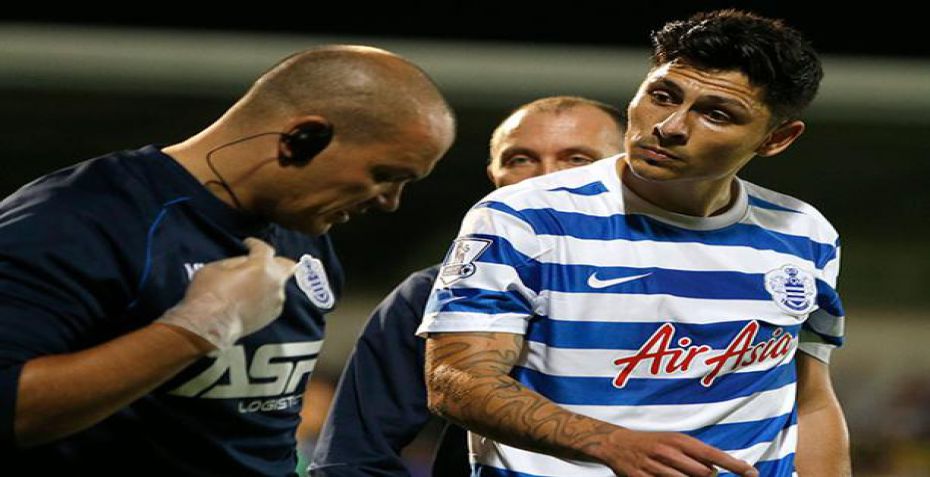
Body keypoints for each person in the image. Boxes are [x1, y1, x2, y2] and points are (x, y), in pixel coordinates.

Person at [419, 10, 850, 477]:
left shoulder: (804, 233)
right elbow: (457, 381)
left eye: (716, 114)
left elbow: (810, 400)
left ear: (776, 138)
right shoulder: (523, 217)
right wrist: (608, 443)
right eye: (662, 96)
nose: (670, 126)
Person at [0, 45, 455, 475]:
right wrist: (195, 328)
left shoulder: (303, 234)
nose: (390, 202)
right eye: (384, 175)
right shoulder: (75, 220)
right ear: (302, 138)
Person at [310, 96, 626, 477]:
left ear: (626, 169)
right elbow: (352, 459)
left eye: (577, 159)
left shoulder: (690, 279)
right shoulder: (430, 295)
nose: (545, 177)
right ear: (493, 176)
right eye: (520, 160)